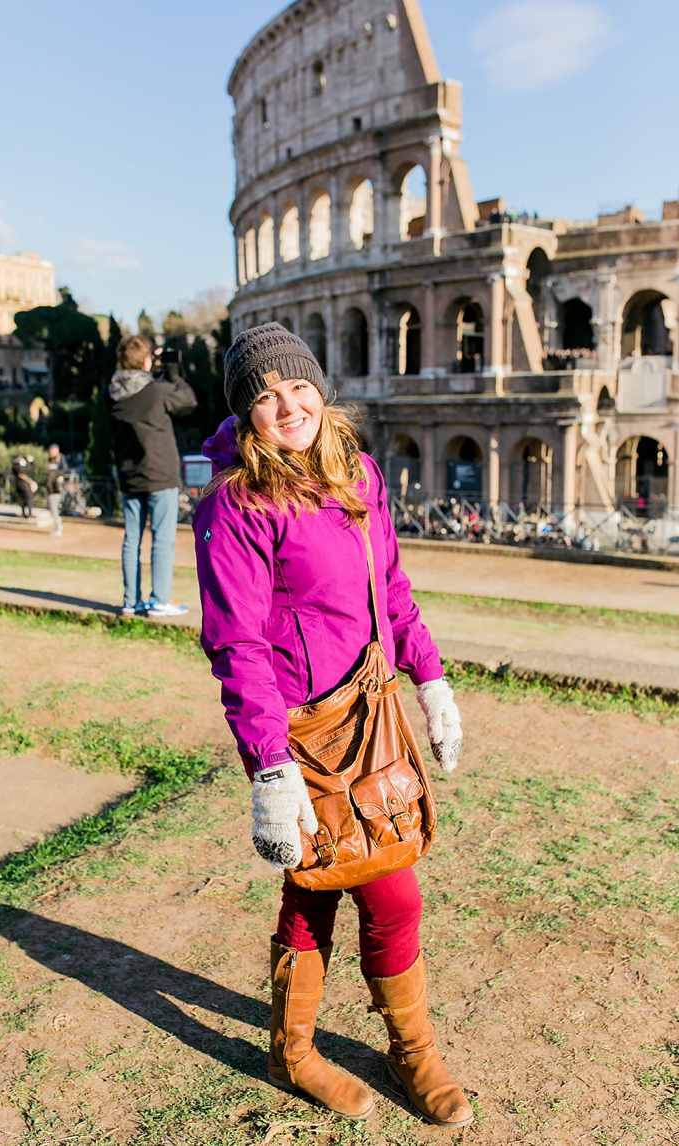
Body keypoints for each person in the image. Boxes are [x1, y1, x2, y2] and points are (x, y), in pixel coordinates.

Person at [193, 322, 470, 1127]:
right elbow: (236, 642)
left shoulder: (359, 471)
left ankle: (301, 1046)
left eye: (298, 386)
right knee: (380, 889)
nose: (288, 405)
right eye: (266, 396)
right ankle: (398, 1052)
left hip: (371, 712)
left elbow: (393, 585)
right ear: (247, 413)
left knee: (319, 887)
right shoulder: (239, 502)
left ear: (320, 387)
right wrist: (269, 767)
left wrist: (431, 677)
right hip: (298, 731)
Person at [108, 333, 195, 617]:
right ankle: (159, 600)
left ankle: (130, 601)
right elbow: (188, 401)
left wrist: (151, 369)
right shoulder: (157, 391)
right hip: (159, 474)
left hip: (129, 475)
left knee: (131, 539)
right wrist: (171, 370)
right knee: (162, 538)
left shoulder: (110, 393)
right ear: (147, 360)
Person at [45, 445, 66, 537]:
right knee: (53, 508)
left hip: (56, 489)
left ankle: (58, 528)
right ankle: (59, 526)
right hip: (51, 488)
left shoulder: (60, 458)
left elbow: (63, 471)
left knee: (54, 508)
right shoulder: (50, 459)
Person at [11, 454, 37, 518]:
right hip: (25, 485)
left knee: (21, 499)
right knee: (29, 498)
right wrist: (31, 462)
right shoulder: (21, 467)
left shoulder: (14, 468)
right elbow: (31, 468)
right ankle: (29, 513)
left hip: (18, 484)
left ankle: (23, 513)